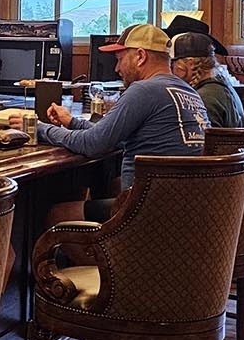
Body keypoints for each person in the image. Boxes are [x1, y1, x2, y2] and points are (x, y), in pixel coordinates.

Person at [15, 22, 208, 222]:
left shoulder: (144, 90)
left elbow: (92, 144)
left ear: (140, 56)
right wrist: (72, 122)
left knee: (58, 215)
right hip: (183, 214)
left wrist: (35, 127)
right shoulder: (189, 92)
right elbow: (112, 136)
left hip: (145, 215)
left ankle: (104, 253)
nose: (117, 68)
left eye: (120, 59)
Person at [171, 31, 244, 128]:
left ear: (190, 63)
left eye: (173, 64)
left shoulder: (203, 98)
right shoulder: (221, 87)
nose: (171, 70)